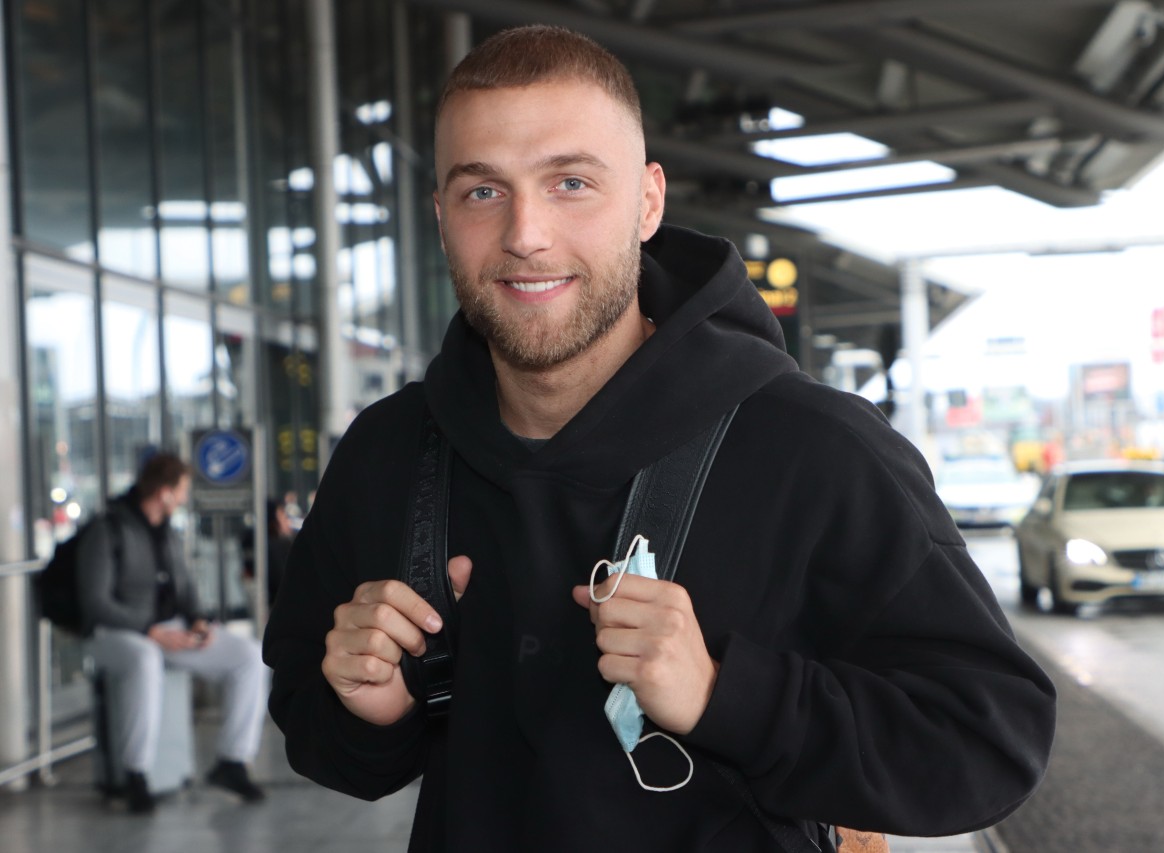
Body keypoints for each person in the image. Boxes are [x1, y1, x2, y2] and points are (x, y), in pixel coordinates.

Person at [263, 25, 1056, 852]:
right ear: (440, 215)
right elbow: (318, 735)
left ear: (648, 201)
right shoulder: (386, 454)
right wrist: (376, 709)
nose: (525, 233)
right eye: (482, 191)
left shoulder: (812, 450)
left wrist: (726, 694)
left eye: (570, 182)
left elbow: (991, 739)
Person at [79, 452, 269, 814]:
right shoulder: (107, 529)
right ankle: (135, 774)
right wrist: (149, 630)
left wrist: (198, 620)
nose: (183, 498)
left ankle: (232, 761)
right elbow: (95, 603)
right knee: (145, 658)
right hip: (115, 633)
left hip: (167, 631)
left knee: (249, 655)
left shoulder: (167, 532)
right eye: (181, 490)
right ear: (164, 492)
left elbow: (185, 590)